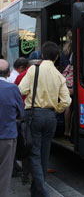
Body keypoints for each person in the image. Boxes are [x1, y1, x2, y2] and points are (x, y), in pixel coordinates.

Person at [18, 41, 72, 197]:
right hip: (50, 116)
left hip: (33, 114)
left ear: (42, 55)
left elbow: (21, 89)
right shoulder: (59, 75)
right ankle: (36, 191)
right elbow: (67, 101)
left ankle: (42, 191)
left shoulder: (33, 70)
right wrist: (57, 108)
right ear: (56, 57)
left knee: (34, 154)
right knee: (44, 154)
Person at [14, 50, 42, 185]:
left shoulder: (21, 76)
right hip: (43, 112)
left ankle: (26, 174)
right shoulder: (47, 74)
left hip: (26, 113)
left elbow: (16, 94)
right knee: (39, 145)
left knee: (27, 144)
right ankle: (39, 175)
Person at [0, 59, 24, 197]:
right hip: (7, 136)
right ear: (9, 73)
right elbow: (21, 113)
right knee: (4, 172)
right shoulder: (12, 89)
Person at [62, 53, 73, 138]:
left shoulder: (69, 66)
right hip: (72, 88)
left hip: (66, 87)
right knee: (73, 108)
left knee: (68, 106)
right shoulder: (79, 66)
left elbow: (63, 76)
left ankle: (66, 130)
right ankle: (70, 131)